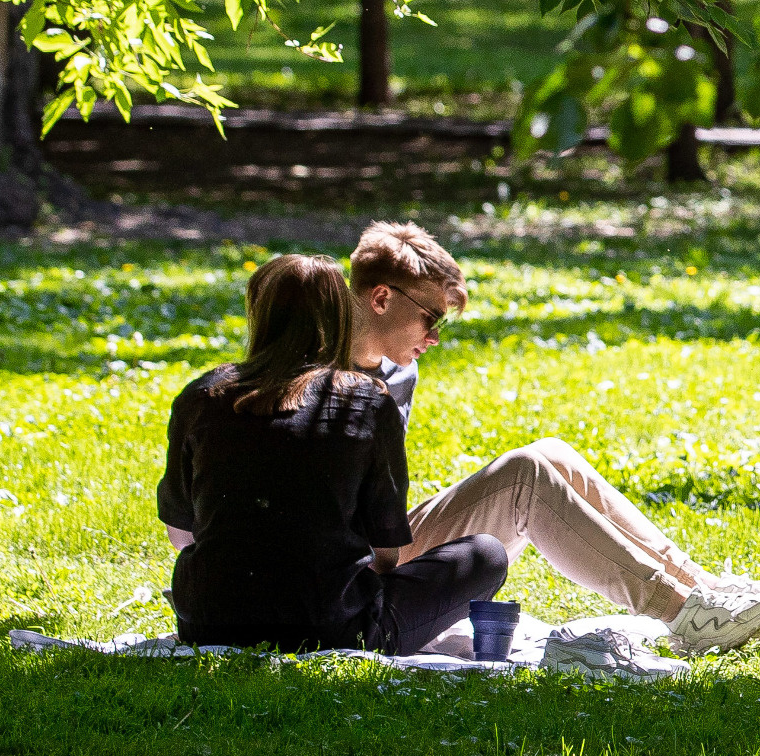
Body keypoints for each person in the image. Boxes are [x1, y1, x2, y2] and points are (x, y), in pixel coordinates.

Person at [339, 220, 760, 655]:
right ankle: (681, 613)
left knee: (552, 454)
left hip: (386, 535)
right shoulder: (314, 372)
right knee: (524, 479)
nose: (436, 337)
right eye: (431, 319)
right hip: (350, 571)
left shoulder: (397, 370)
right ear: (381, 299)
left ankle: (704, 590)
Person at [155, 255, 509, 654]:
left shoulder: (202, 397)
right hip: (333, 628)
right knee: (486, 554)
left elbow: (181, 533)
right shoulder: (365, 400)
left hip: (207, 624)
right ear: (341, 315)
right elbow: (385, 553)